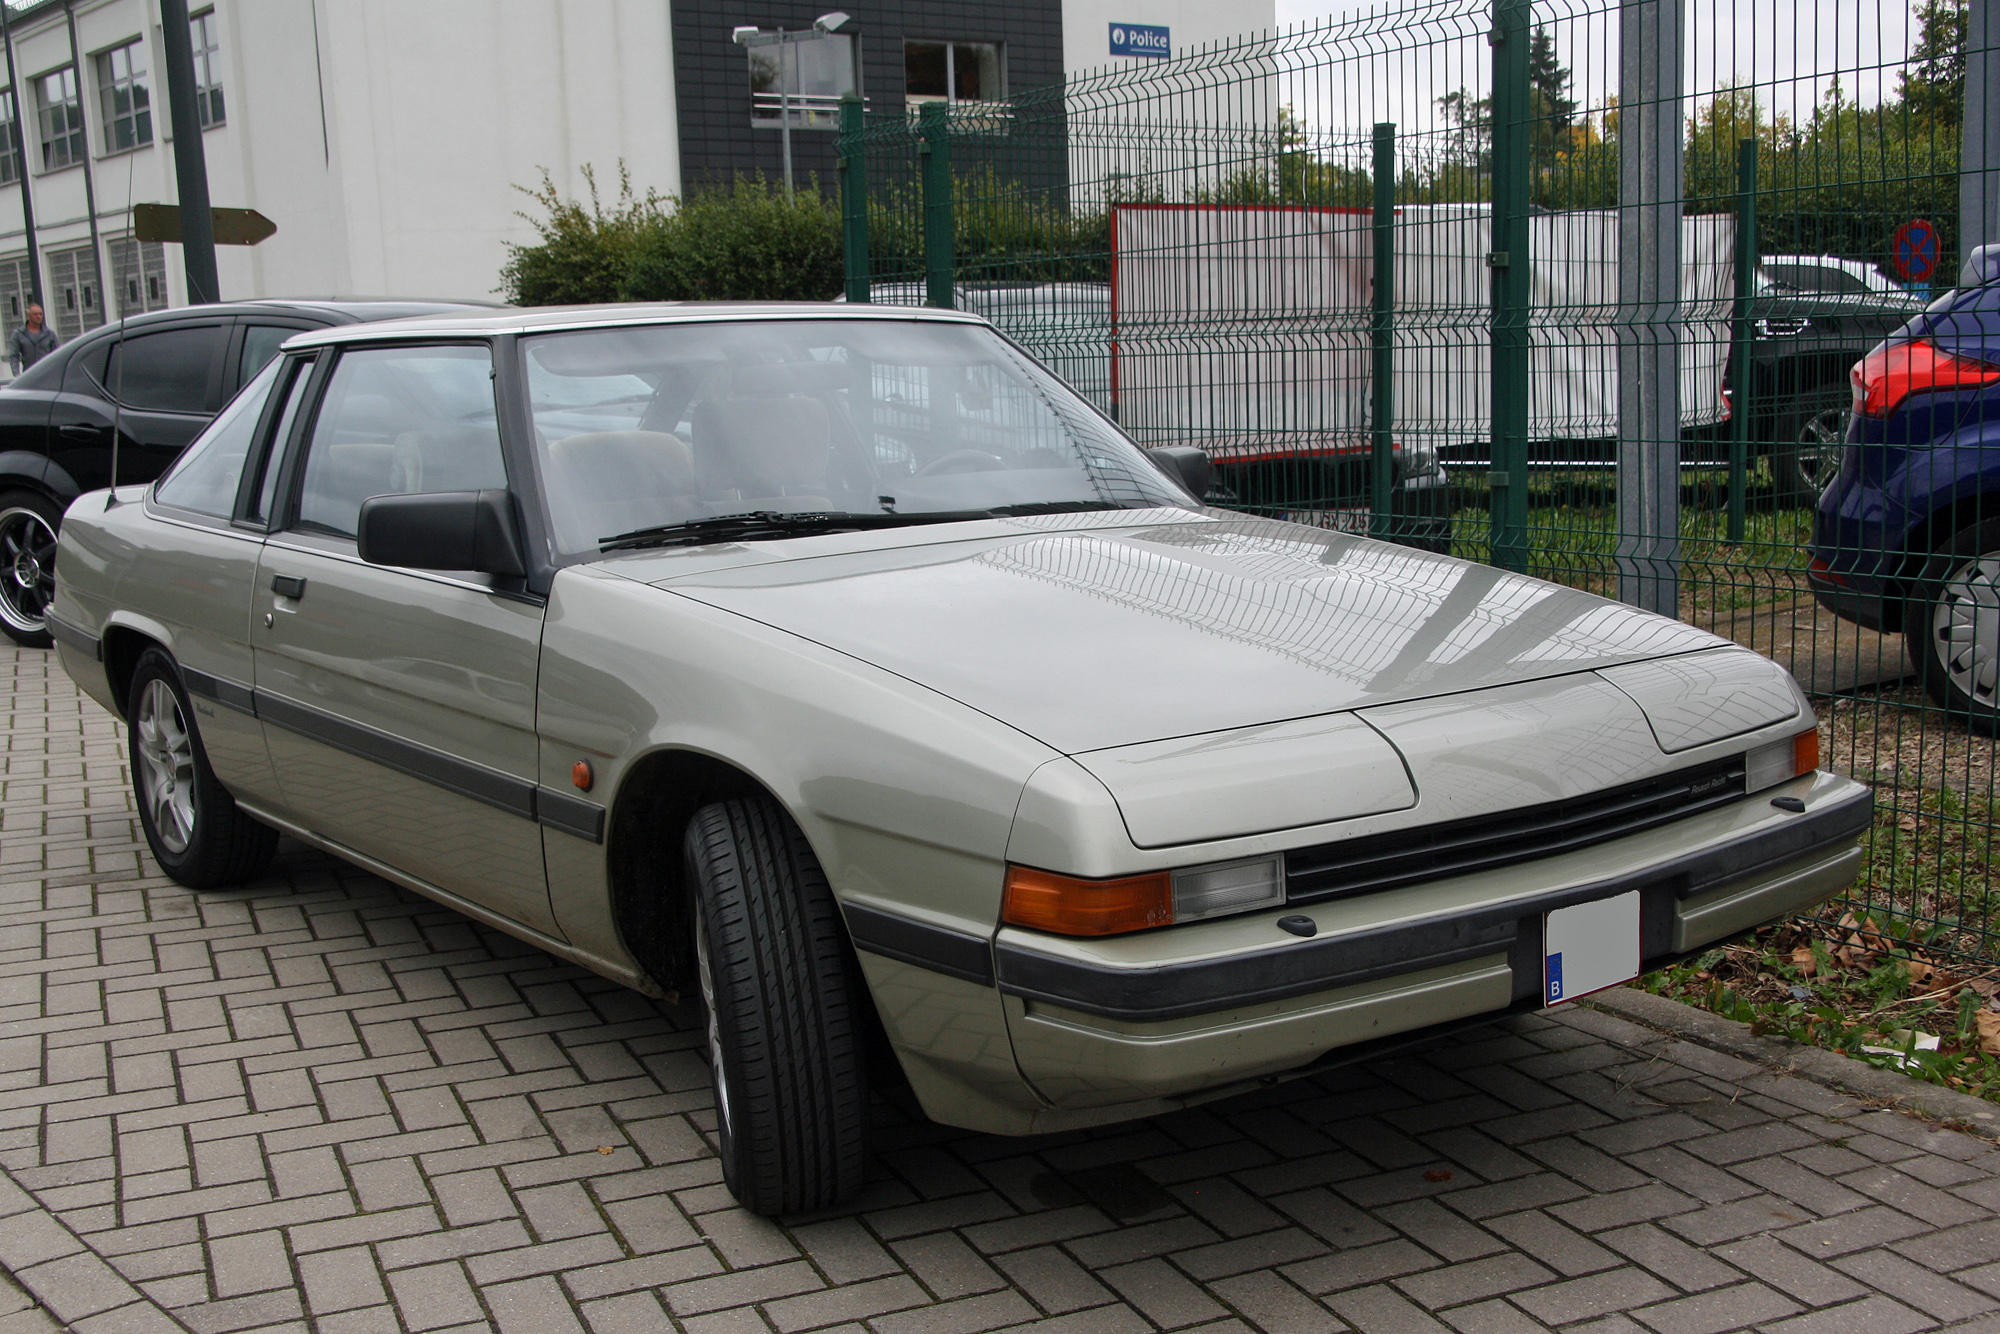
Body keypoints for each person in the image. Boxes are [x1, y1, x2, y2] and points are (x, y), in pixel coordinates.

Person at [8, 303, 57, 375]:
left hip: (47, 374)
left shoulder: (49, 334)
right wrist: (17, 375)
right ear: (28, 315)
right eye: (35, 314)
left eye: (40, 314)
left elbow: (56, 354)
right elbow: (14, 356)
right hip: (29, 375)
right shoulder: (19, 334)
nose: (38, 316)